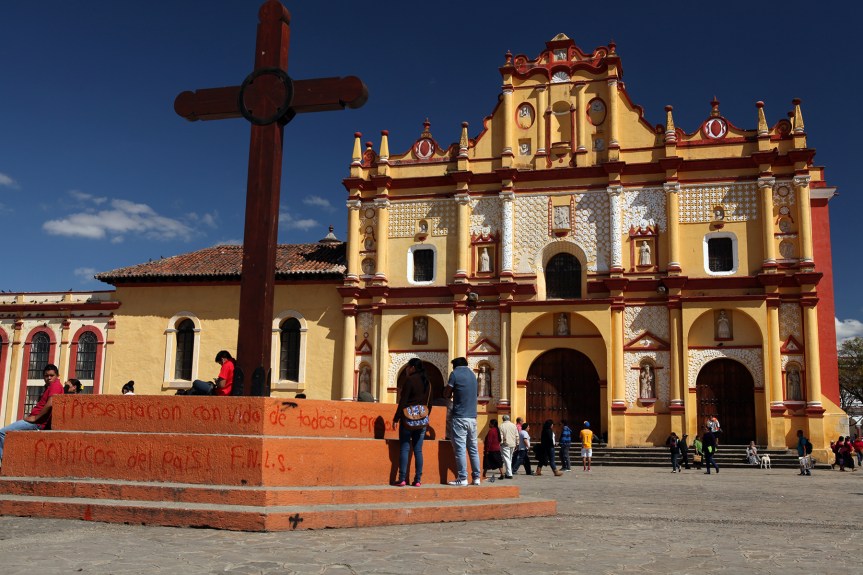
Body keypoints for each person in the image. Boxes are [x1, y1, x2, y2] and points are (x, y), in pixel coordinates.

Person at [0, 364, 64, 466]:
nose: (49, 378)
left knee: (3, 433)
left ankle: (5, 463)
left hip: (37, 423)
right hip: (36, 422)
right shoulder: (51, 387)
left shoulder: (55, 386)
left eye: (52, 375)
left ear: (57, 376)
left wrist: (35, 418)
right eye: (46, 376)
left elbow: (51, 404)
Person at [393, 357, 432, 487]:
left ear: (413, 368)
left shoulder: (409, 380)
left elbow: (403, 402)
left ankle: (402, 478)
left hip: (407, 420)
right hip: (422, 421)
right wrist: (425, 416)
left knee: (404, 448)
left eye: (408, 367)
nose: (406, 370)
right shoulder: (428, 382)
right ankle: (418, 480)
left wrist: (396, 418)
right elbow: (429, 404)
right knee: (418, 450)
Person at [445, 357, 481, 486]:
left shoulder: (455, 374)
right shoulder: (473, 375)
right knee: (473, 449)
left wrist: (449, 390)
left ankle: (462, 477)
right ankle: (476, 478)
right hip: (472, 417)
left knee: (460, 449)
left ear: (455, 366)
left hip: (459, 417)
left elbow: (447, 394)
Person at [498, 415, 518, 479]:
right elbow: (516, 435)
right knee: (510, 459)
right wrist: (517, 443)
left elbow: (500, 436)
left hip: (505, 444)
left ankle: (509, 474)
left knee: (507, 459)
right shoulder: (513, 425)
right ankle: (508, 472)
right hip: (512, 444)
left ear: (503, 419)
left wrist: (500, 443)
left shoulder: (501, 426)